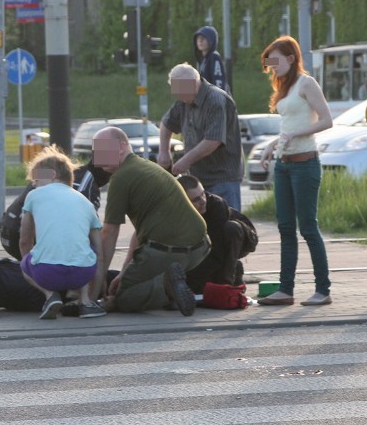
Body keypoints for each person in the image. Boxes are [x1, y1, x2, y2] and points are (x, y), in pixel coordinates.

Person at [96, 126, 210, 316]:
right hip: (200, 248)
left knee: (124, 297)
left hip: (166, 251)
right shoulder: (148, 167)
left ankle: (166, 285)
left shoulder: (121, 178)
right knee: (132, 281)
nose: (98, 159)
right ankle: (171, 287)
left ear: (122, 146)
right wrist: (125, 272)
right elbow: (141, 231)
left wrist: (99, 282)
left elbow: (109, 233)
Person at [257, 35, 334, 307]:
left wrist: (292, 136)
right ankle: (286, 289)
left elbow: (327, 120)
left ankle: (323, 290)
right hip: (284, 165)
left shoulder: (306, 83)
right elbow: (288, 125)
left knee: (308, 228)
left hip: (305, 163)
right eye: (269, 63)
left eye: (275, 61)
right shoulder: (285, 88)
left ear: (291, 58)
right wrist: (272, 144)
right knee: (285, 228)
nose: (272, 67)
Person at [19, 145, 106, 319]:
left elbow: (24, 241)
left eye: (36, 179)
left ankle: (50, 296)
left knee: (25, 264)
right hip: (83, 274)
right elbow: (100, 254)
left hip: (47, 274)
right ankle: (86, 302)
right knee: (85, 248)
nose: (34, 184)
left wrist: (29, 262)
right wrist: (96, 294)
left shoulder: (34, 196)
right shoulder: (86, 203)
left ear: (52, 175)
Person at [157, 63, 244, 210]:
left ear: (192, 84)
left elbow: (213, 140)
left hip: (222, 178)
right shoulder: (183, 101)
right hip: (198, 180)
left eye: (179, 90)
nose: (178, 95)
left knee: (226, 226)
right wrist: (164, 152)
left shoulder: (215, 100)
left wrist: (186, 160)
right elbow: (166, 124)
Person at [0, 159, 111, 260]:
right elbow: (89, 228)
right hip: (26, 238)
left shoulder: (61, 171)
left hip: (7, 228)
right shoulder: (89, 183)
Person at [176, 174, 258, 293]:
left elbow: (217, 252)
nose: (203, 201)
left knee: (231, 229)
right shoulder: (177, 210)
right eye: (196, 199)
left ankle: (227, 284)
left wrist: (193, 282)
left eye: (203, 194)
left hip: (243, 237)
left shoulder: (216, 205)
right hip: (212, 243)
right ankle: (235, 269)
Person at [193, 25, 229, 93]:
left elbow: (219, 82)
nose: (200, 41)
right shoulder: (203, 60)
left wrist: (217, 99)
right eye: (198, 38)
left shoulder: (214, 57)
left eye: (203, 38)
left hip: (215, 100)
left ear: (211, 40)